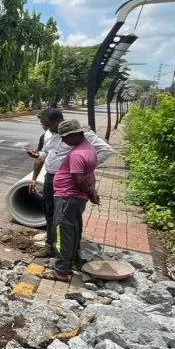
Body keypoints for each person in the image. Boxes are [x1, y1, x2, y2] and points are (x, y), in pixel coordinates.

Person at [28, 108, 112, 258]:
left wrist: (83, 168)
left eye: (47, 125)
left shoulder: (79, 135)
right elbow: (47, 153)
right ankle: (51, 247)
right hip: (50, 178)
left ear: (58, 121)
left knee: (66, 218)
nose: (45, 129)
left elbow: (105, 150)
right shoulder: (49, 135)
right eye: (43, 125)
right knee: (50, 213)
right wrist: (39, 155)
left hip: (71, 182)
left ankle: (68, 252)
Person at [43, 119, 100, 282]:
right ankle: (72, 260)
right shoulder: (89, 150)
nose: (63, 140)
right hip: (75, 198)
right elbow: (90, 175)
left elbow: (80, 180)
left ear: (75, 135)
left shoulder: (77, 154)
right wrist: (92, 192)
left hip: (67, 197)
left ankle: (61, 270)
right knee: (73, 229)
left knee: (62, 232)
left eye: (65, 137)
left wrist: (90, 192)